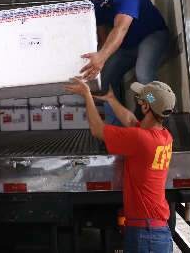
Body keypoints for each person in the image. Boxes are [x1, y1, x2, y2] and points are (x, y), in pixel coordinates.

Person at [65, 78, 175, 253]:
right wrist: (111, 99)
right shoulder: (164, 136)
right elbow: (132, 121)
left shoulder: (140, 139)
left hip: (145, 235)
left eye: (141, 100)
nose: (138, 103)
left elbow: (97, 129)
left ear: (146, 107)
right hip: (154, 231)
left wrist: (86, 95)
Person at [80, 0, 169, 124]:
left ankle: (157, 118)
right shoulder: (95, 2)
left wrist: (101, 57)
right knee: (106, 78)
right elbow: (102, 33)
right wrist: (101, 58)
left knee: (144, 76)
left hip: (151, 36)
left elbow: (120, 28)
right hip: (127, 45)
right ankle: (115, 128)